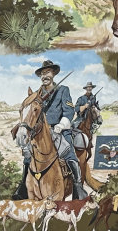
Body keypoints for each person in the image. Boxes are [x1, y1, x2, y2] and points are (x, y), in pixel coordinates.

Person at [16, 59, 89, 201]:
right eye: (42, 74)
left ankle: (78, 187)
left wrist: (61, 125)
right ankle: (23, 187)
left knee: (69, 154)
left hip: (59, 129)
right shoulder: (37, 94)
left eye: (48, 72)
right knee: (27, 156)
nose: (45, 76)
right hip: (41, 132)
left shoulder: (63, 90)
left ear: (53, 74)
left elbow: (69, 111)